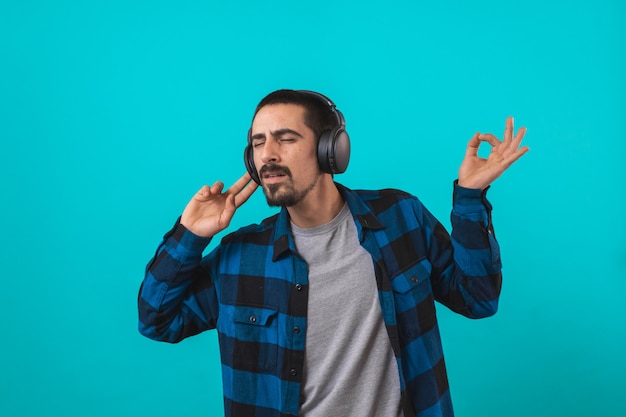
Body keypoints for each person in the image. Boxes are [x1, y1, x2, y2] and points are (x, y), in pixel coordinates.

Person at [138, 89, 529, 417]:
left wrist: (469, 198)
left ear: (331, 150)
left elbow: (478, 299)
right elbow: (156, 321)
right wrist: (190, 235)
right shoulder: (240, 257)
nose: (267, 155)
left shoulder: (401, 218)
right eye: (258, 142)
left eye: (286, 138)